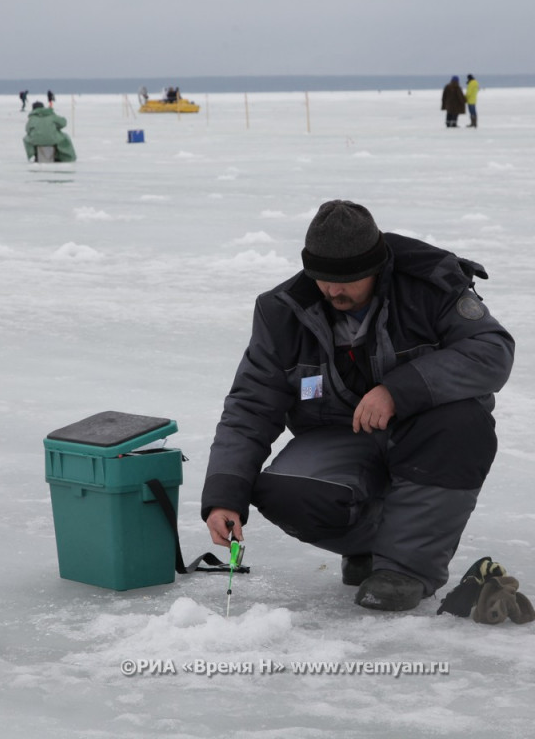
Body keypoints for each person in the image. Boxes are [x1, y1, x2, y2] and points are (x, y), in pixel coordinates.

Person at [202, 200, 515, 611]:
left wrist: (398, 391)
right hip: (342, 436)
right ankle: (371, 548)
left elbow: (492, 351)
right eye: (322, 278)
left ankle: (404, 570)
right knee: (283, 493)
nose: (333, 291)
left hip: (424, 433)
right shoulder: (282, 311)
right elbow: (251, 405)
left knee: (463, 425)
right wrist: (225, 494)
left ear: (377, 266)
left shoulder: (429, 286)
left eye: (347, 280)